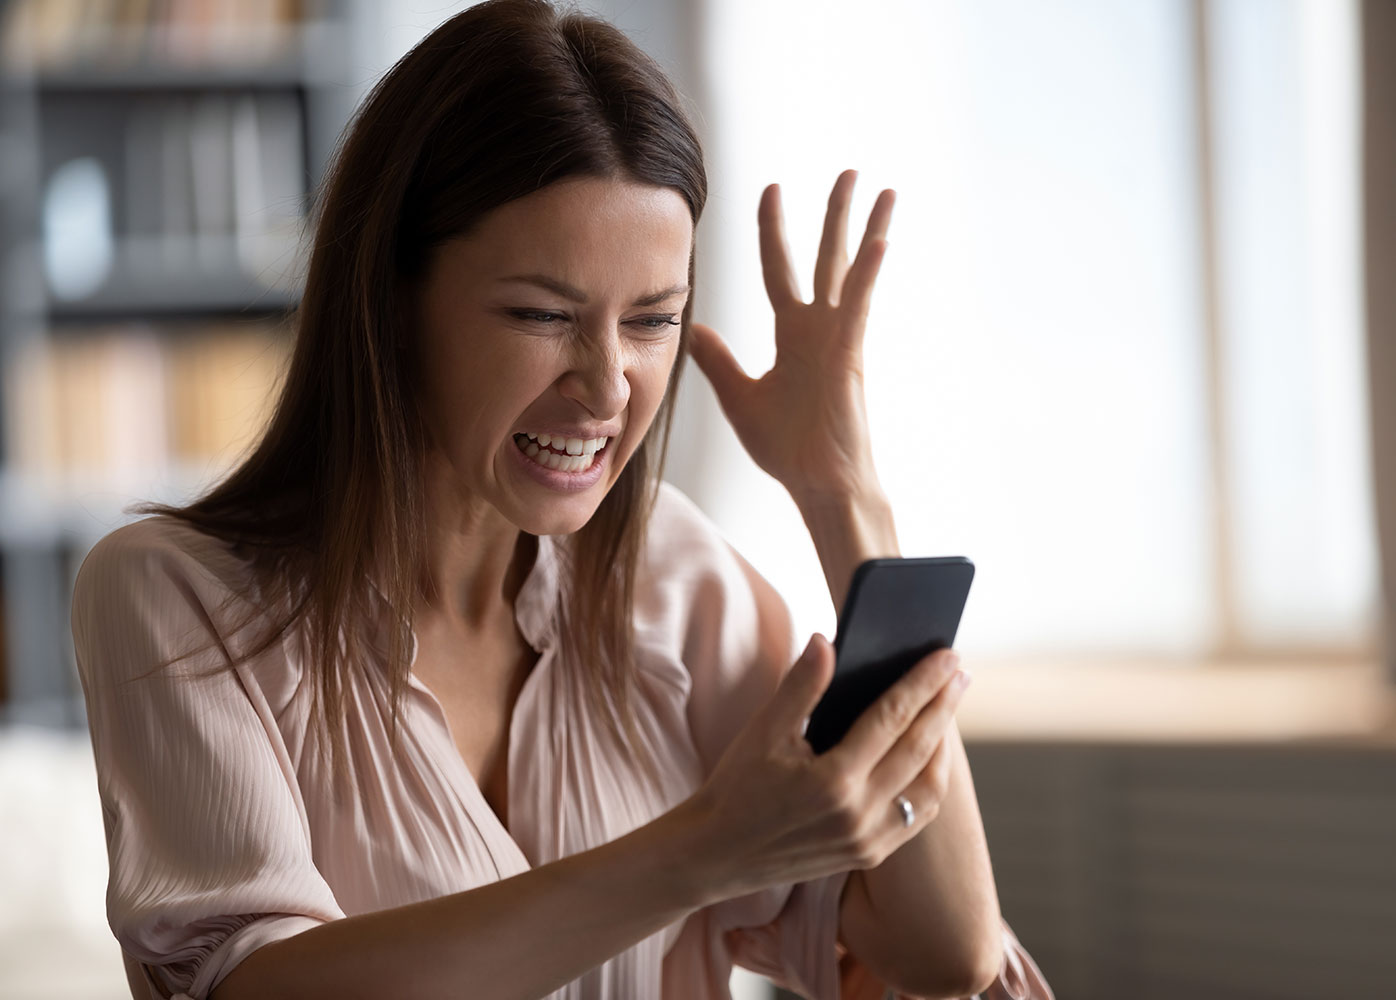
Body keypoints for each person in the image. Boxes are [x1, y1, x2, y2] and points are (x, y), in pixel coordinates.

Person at [70, 2, 1051, 998]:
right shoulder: (172, 597)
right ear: (390, 297)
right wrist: (701, 851)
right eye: (544, 314)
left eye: (652, 319)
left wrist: (843, 495)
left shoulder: (671, 572)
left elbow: (946, 950)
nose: (609, 385)